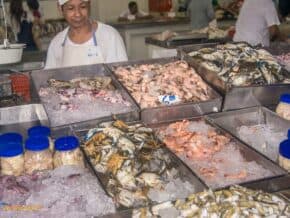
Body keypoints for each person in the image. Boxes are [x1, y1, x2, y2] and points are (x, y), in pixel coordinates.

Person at [45, 0, 128, 69]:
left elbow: (122, 75)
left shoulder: (110, 36)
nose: (78, 14)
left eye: (83, 7)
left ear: (89, 5)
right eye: (71, 8)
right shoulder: (56, 43)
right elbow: (49, 80)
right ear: (60, 9)